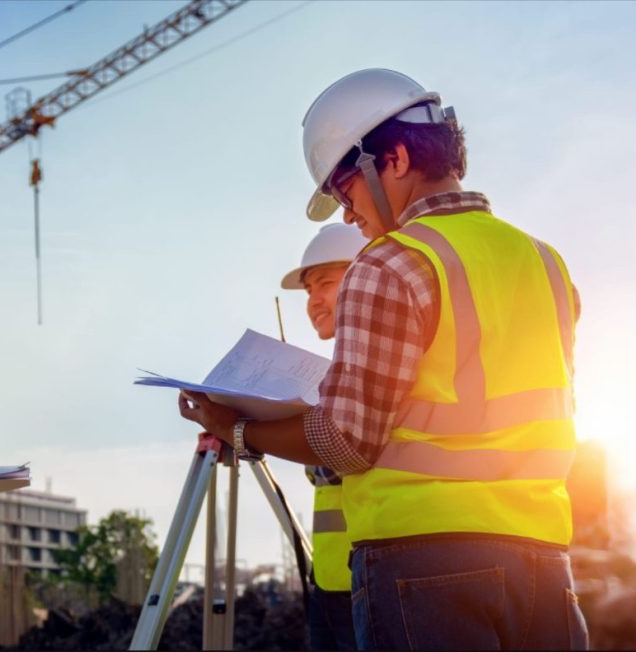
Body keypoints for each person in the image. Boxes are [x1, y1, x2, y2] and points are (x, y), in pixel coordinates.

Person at [177, 69, 588, 649]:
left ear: (392, 159)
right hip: (545, 561)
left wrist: (237, 428)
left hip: (426, 566)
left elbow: (347, 440)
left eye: (345, 191)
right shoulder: (547, 264)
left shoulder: (390, 263)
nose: (347, 215)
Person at [280, 222, 367, 651]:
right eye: (309, 290)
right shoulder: (330, 376)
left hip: (369, 585)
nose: (313, 301)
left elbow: (342, 458)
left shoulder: (369, 369)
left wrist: (247, 430)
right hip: (330, 582)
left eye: (325, 284)